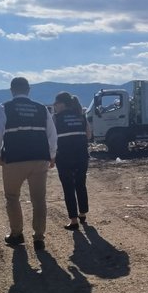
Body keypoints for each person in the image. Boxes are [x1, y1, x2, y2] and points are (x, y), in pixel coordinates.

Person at [0, 77, 57, 251]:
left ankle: (17, 234)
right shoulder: (42, 108)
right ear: (29, 89)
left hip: (14, 159)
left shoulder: (4, 107)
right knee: (39, 199)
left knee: (12, 197)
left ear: (12, 90)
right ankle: (39, 238)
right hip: (39, 159)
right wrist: (52, 155)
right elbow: (52, 134)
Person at [52, 92, 91, 230]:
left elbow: (51, 138)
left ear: (62, 104)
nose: (54, 107)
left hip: (64, 156)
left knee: (68, 187)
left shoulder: (56, 118)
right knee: (81, 184)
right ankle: (83, 213)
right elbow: (89, 134)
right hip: (81, 155)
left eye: (55, 104)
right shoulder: (81, 116)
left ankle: (73, 220)